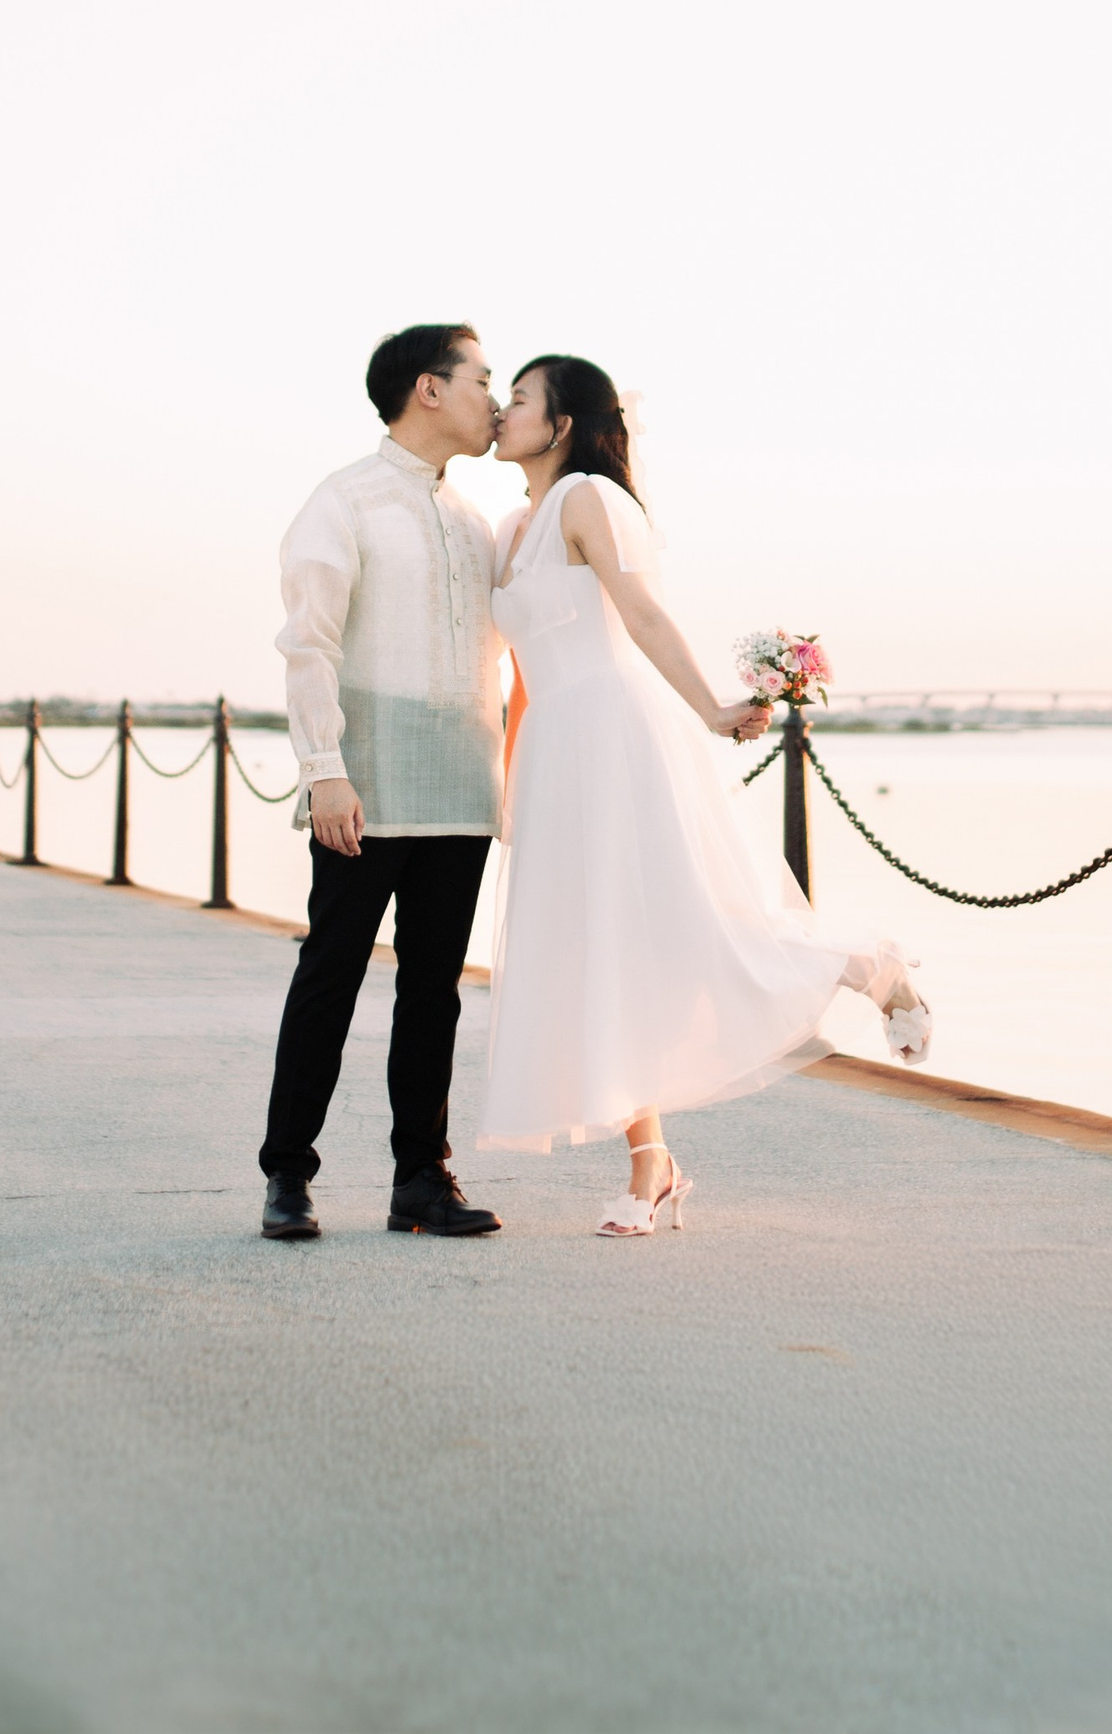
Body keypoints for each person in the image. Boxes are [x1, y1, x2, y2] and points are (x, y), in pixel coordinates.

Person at [482, 353, 929, 1233]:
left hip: (615, 734)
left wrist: (717, 709)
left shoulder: (585, 499)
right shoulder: (509, 528)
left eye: (521, 399)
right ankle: (652, 1164)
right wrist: (507, 771)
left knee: (692, 922)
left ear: (562, 422)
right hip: (552, 754)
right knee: (585, 956)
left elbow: (642, 613)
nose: (502, 410)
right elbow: (521, 669)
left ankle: (867, 965)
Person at [258, 323, 510, 1241]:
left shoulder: (474, 521)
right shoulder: (346, 501)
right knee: (329, 973)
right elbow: (308, 643)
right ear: (428, 389)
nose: (496, 395)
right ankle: (288, 1173)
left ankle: (421, 1177)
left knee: (435, 987)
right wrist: (325, 769)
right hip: (364, 782)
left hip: (460, 783)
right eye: (482, 378)